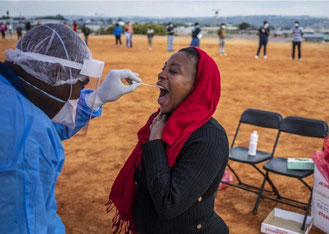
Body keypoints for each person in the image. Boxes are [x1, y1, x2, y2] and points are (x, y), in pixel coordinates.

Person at [0, 23, 142, 234]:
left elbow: (50, 126)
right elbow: (26, 226)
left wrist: (97, 99)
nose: (77, 96)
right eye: (80, 86)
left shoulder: (10, 97)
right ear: (56, 72)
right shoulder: (26, 136)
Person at [106, 47, 229, 234]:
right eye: (163, 68)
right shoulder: (159, 120)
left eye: (173, 71)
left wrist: (155, 143)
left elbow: (169, 205)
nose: (161, 74)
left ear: (197, 86)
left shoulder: (209, 138)